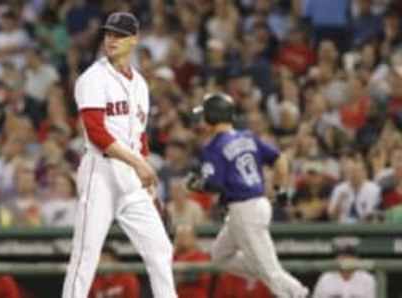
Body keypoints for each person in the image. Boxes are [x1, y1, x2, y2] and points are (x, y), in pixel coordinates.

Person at [62, 12, 177, 298]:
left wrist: (149, 185)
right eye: (108, 34)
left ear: (134, 40)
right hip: (99, 173)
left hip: (131, 177)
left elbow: (139, 136)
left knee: (160, 249)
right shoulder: (93, 78)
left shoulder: (139, 83)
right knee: (85, 255)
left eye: (119, 35)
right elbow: (97, 134)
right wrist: (139, 164)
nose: (111, 39)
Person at [187, 93, 308, 297]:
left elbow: (214, 184)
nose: (202, 119)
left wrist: (196, 184)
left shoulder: (214, 146)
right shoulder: (248, 136)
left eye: (205, 115)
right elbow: (280, 159)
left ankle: (300, 294)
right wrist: (281, 190)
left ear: (211, 117)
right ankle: (267, 270)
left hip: (245, 210)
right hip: (251, 207)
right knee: (220, 256)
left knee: (271, 272)